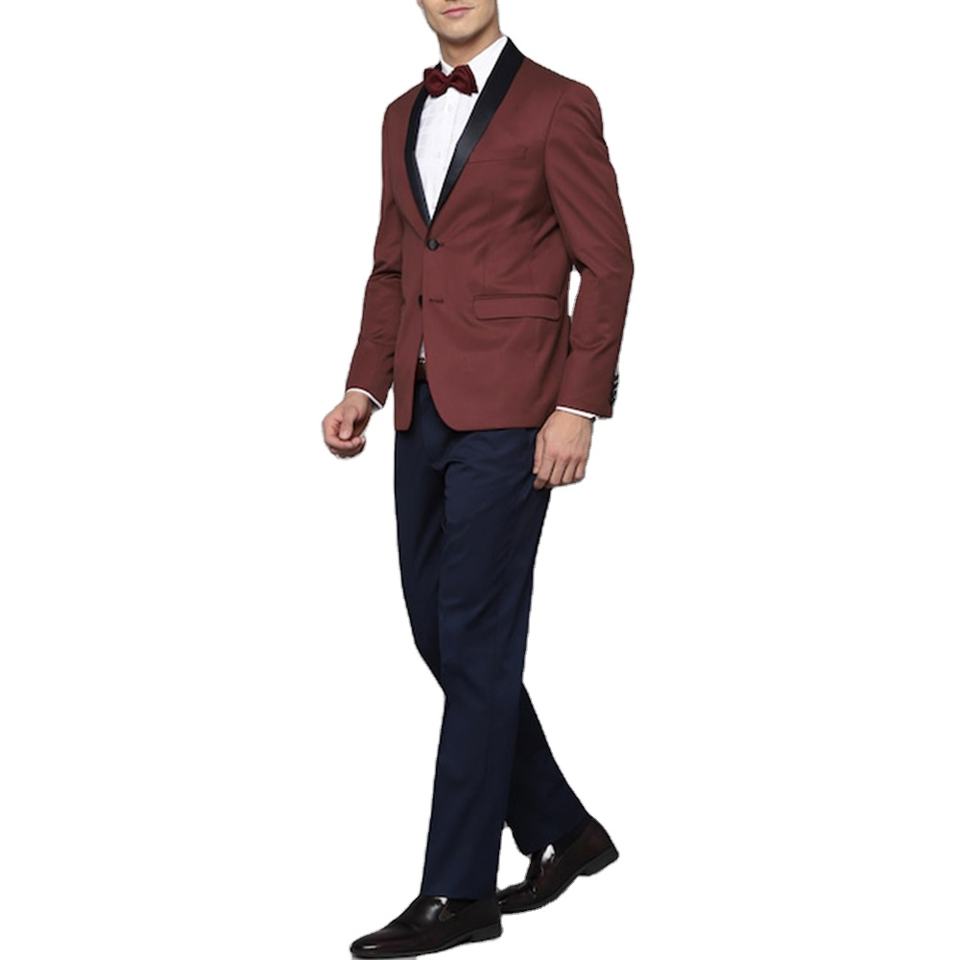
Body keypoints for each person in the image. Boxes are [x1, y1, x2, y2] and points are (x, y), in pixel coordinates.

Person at [322, 2, 634, 955]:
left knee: (477, 639)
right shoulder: (398, 114)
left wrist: (578, 406)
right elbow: (393, 265)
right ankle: (564, 829)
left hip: (515, 412)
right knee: (443, 631)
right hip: (416, 408)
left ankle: (458, 891)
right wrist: (363, 386)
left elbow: (608, 263)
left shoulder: (559, 104)